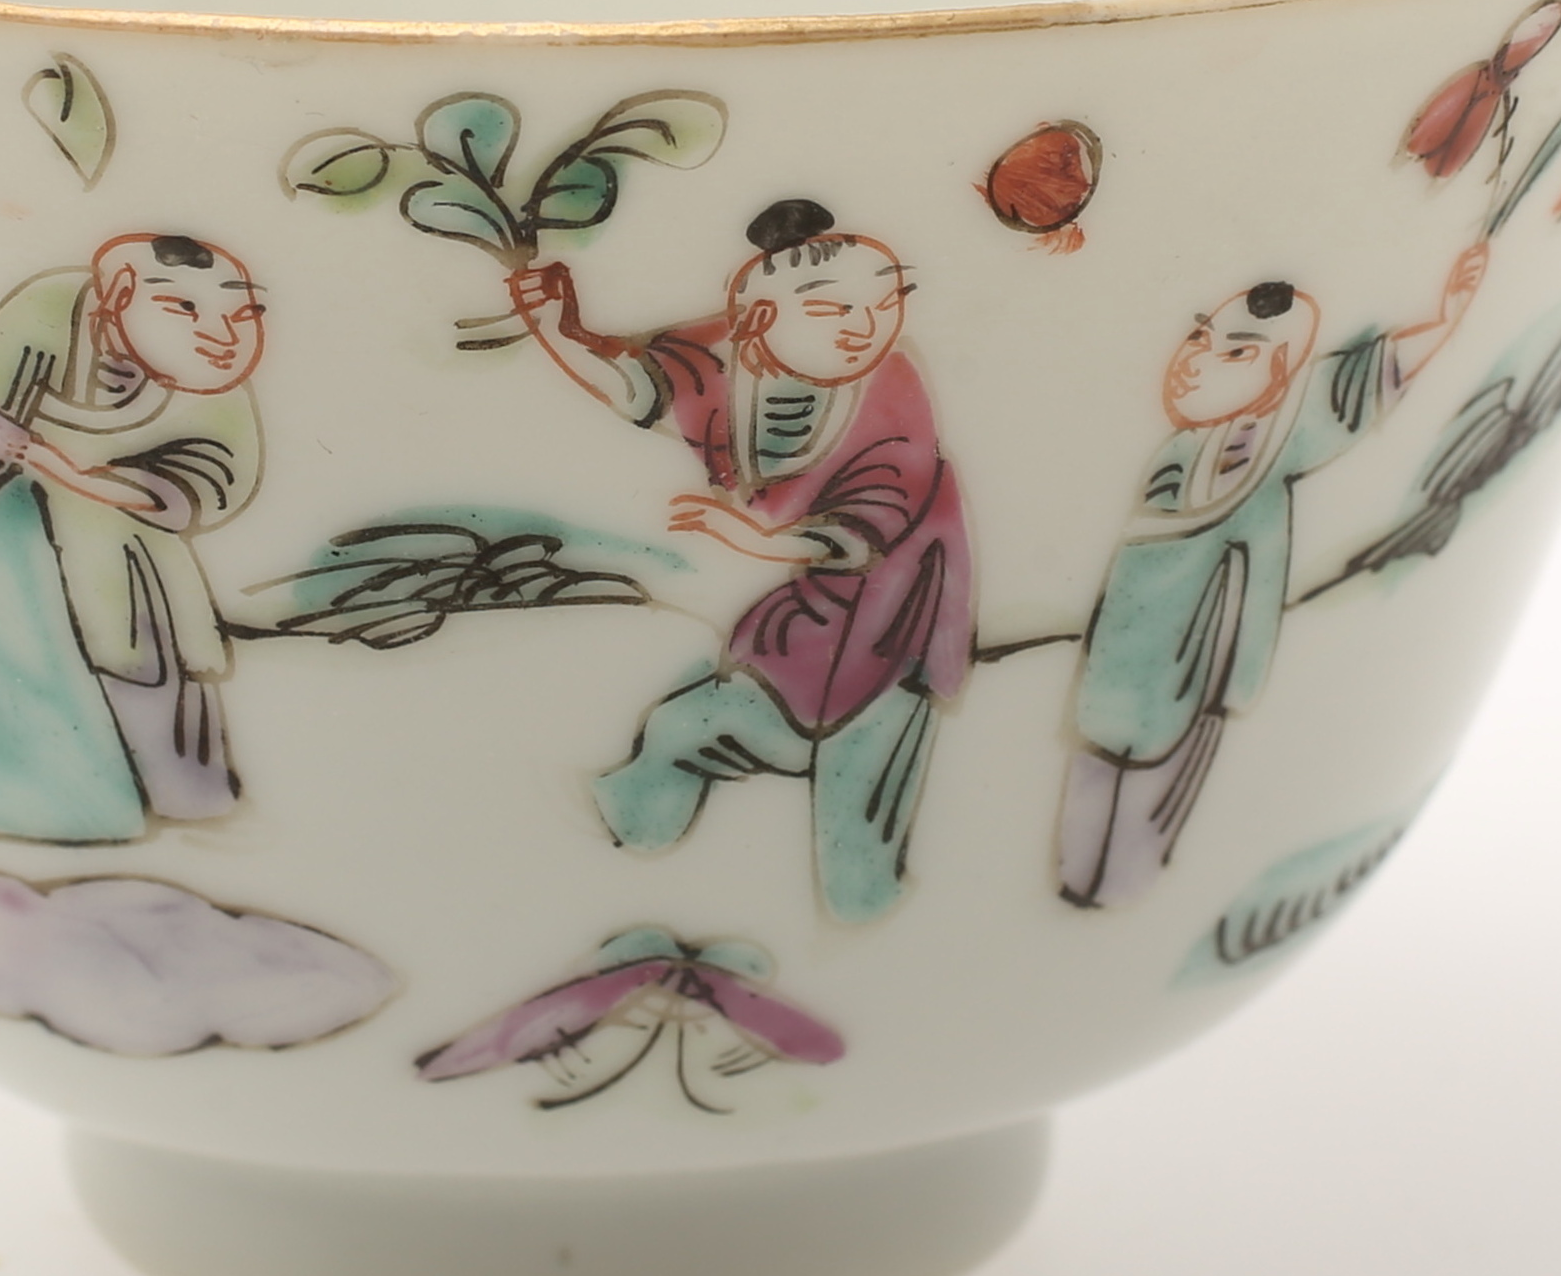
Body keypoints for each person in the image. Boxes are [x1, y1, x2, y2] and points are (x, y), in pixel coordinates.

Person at [509, 200, 972, 923]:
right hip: (797, 620)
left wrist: (757, 541)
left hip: (896, 614)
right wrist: (549, 327)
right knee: (688, 729)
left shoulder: (892, 385)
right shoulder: (720, 353)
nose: (866, 327)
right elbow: (636, 386)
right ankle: (597, 875)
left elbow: (879, 514)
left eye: (887, 303)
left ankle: (861, 918)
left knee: (857, 790)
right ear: (757, 317)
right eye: (831, 309)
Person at [1058, 238, 1489, 909]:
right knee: (1099, 763)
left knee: (1157, 782)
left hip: (1196, 659)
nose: (1196, 363)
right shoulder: (1182, 450)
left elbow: (1354, 386)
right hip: (1120, 655)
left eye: (1236, 354)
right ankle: (1080, 884)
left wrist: (1447, 317)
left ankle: (1114, 890)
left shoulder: (1274, 443)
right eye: (1199, 340)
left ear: (1281, 375)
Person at [0, 236, 267, 840]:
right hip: (12, 555)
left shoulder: (209, 384)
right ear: (122, 295)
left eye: (244, 313)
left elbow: (210, 477)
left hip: (133, 570)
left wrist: (73, 473)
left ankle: (191, 813)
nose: (222, 335)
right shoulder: (54, 309)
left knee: (151, 689)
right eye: (184, 308)